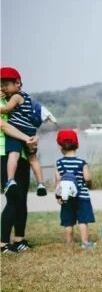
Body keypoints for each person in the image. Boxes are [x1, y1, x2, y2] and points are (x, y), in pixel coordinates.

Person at [0, 67, 47, 198]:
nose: (3, 89)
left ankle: (10, 180)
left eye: (6, 85)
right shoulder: (27, 98)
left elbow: (6, 109)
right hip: (30, 131)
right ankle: (41, 183)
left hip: (17, 129)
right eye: (1, 86)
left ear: (18, 83)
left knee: (13, 154)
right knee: (33, 159)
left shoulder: (15, 97)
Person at [54, 129, 96, 249]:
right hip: (82, 196)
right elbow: (87, 177)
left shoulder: (59, 163)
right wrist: (89, 184)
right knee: (83, 220)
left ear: (60, 146)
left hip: (66, 197)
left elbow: (58, 181)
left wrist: (58, 196)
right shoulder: (81, 162)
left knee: (68, 222)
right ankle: (85, 243)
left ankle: (69, 243)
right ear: (77, 145)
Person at [0, 119, 36, 253]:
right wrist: (27, 137)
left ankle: (19, 240)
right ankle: (3, 243)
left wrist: (33, 138)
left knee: (22, 199)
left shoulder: (16, 106)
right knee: (13, 198)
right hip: (4, 155)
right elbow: (4, 126)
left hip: (22, 154)